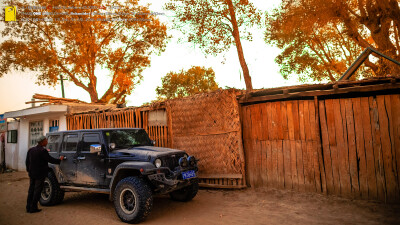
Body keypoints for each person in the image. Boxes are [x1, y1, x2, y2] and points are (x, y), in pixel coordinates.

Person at [25, 135, 64, 213]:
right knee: (37, 190)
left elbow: (27, 162)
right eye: (46, 140)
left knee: (31, 190)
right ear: (42, 142)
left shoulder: (31, 150)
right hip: (40, 174)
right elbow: (50, 160)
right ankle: (33, 207)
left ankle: (28, 207)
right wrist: (59, 160)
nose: (47, 142)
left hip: (32, 173)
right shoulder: (43, 151)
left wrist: (28, 170)